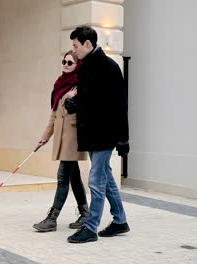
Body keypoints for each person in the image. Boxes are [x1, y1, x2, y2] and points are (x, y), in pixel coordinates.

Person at [65, 26, 130, 243]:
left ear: (88, 44)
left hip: (105, 132)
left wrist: (123, 137)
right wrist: (75, 104)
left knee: (96, 179)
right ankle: (120, 221)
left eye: (76, 46)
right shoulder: (84, 68)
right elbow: (90, 100)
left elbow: (120, 105)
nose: (74, 49)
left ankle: (91, 228)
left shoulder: (110, 67)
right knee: (106, 177)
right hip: (91, 132)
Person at [32, 50, 89, 232]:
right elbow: (54, 116)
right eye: (64, 61)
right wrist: (44, 137)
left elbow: (88, 110)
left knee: (63, 176)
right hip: (61, 138)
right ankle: (85, 213)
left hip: (73, 138)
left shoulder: (81, 85)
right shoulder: (61, 85)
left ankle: (52, 218)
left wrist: (78, 101)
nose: (65, 64)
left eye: (70, 62)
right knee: (74, 176)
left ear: (77, 65)